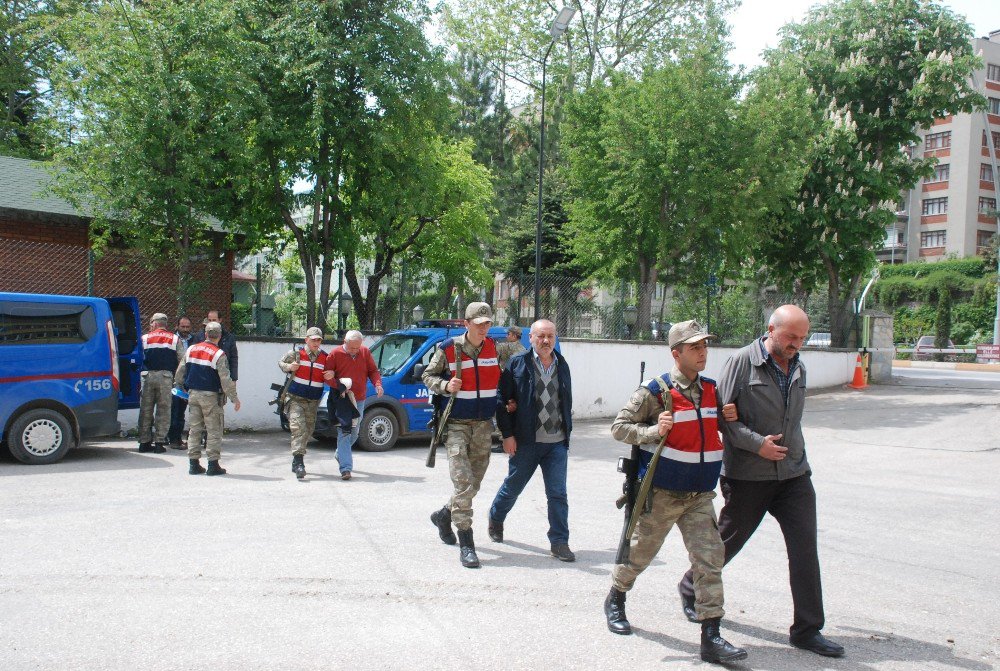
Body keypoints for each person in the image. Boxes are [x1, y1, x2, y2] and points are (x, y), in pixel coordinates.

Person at [677, 305, 845, 658]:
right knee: (726, 542)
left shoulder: (797, 364)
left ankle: (807, 629)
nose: (796, 344)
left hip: (794, 473)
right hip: (748, 475)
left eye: (802, 338)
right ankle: (692, 586)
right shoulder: (741, 362)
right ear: (771, 329)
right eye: (790, 337)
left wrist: (789, 454)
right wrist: (758, 445)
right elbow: (721, 418)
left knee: (804, 550)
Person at [604, 320, 747, 665]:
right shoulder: (655, 391)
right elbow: (619, 428)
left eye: (705, 346)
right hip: (664, 492)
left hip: (699, 495)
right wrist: (654, 430)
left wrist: (730, 417)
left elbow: (715, 429)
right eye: (695, 347)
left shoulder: (713, 390)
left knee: (709, 560)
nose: (703, 353)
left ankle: (711, 635)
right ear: (676, 352)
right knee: (640, 554)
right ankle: (616, 597)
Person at [422, 301, 521, 568]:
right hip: (456, 425)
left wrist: (510, 401)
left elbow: (504, 380)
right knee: (464, 484)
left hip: (483, 426)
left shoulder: (494, 348)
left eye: (487, 324)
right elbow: (427, 376)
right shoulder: (448, 349)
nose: (483, 329)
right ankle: (467, 544)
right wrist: (444, 384)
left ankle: (444, 515)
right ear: (466, 324)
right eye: (478, 325)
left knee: (473, 484)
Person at [488, 319, 575, 562]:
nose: (546, 341)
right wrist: (507, 435)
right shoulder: (517, 364)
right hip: (526, 441)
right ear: (531, 339)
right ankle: (496, 516)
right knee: (513, 487)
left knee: (558, 494)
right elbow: (501, 400)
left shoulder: (563, 364)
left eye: (550, 336)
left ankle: (559, 541)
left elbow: (564, 400)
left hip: (556, 442)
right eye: (541, 336)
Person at [174, 321, 240, 476]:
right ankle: (212, 465)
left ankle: (193, 464)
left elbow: (180, 372)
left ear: (205, 334)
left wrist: (180, 387)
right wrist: (234, 398)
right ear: (220, 336)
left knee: (194, 429)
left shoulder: (191, 349)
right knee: (213, 429)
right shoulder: (219, 354)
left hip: (193, 395)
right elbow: (225, 380)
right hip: (211, 397)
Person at [323, 330, 383, 480]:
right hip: (342, 398)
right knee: (345, 431)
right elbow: (326, 377)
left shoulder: (365, 352)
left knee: (355, 432)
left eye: (357, 348)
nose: (355, 351)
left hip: (359, 398)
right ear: (345, 341)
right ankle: (346, 469)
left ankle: (340, 453)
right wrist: (338, 384)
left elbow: (373, 371)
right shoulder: (334, 354)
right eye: (352, 348)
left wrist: (378, 384)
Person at [278, 327, 329, 480]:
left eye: (318, 340)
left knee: (308, 430)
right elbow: (280, 363)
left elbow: (332, 373)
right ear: (306, 339)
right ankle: (299, 462)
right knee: (298, 428)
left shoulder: (325, 358)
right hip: (295, 399)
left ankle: (296, 458)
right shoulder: (296, 354)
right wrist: (289, 367)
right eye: (313, 339)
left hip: (313, 401)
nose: (316, 342)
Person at [137, 313, 184, 454]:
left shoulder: (144, 338)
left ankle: (144, 442)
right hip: (166, 377)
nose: (150, 325)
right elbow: (182, 361)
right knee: (163, 411)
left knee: (146, 410)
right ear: (165, 324)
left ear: (155, 323)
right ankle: (159, 443)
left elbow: (138, 357)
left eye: (151, 323)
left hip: (147, 376)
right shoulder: (175, 339)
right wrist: (179, 380)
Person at [166, 316, 194, 448]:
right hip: (175, 380)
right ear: (176, 326)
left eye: (187, 327)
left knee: (191, 410)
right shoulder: (172, 339)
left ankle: (192, 439)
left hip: (191, 380)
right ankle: (174, 439)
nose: (185, 329)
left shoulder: (195, 340)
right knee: (176, 410)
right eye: (182, 327)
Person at [191, 309, 239, 381]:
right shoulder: (199, 336)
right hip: (203, 374)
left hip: (223, 374)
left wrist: (234, 378)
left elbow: (233, 358)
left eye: (214, 320)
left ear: (220, 320)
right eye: (209, 320)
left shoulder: (229, 337)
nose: (211, 323)